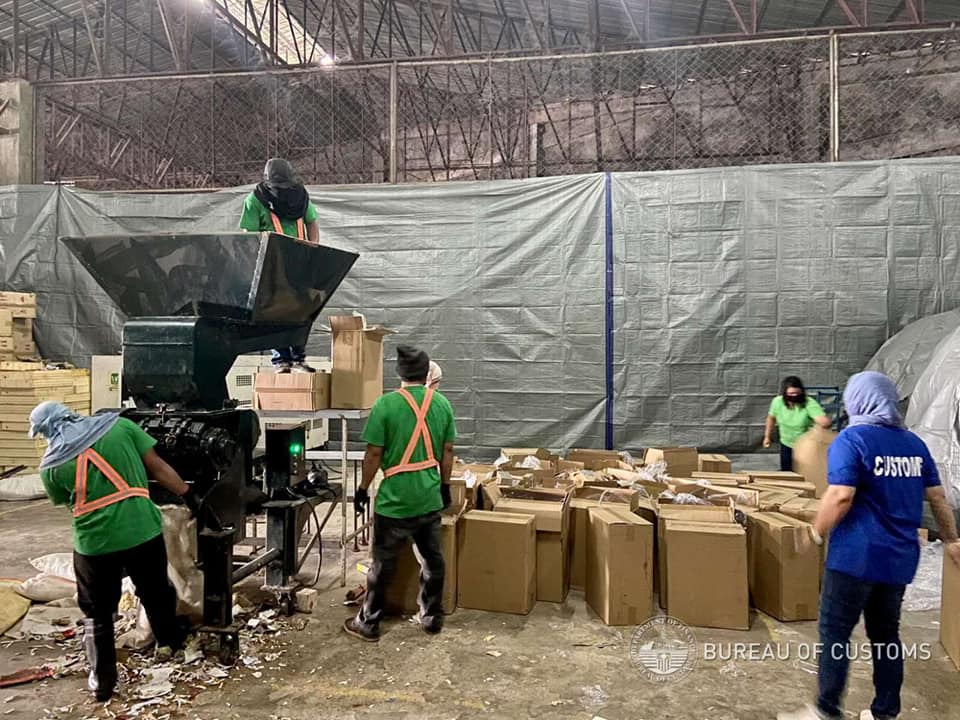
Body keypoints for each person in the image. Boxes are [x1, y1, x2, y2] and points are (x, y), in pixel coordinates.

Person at [778, 371, 960, 720]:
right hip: (899, 559)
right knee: (886, 634)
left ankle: (827, 710)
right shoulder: (914, 445)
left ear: (857, 401)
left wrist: (815, 532)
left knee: (835, 632)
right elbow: (938, 497)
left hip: (855, 557)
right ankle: (884, 712)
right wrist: (951, 540)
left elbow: (841, 495)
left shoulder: (852, 439)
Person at [30, 402, 200, 703]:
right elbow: (158, 468)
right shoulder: (121, 427)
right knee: (155, 589)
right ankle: (169, 642)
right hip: (141, 530)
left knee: (97, 610)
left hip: (94, 544)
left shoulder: (50, 467)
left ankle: (102, 680)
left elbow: (70, 504)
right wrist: (190, 495)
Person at [344, 346, 456, 642]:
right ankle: (431, 617)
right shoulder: (442, 403)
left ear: (399, 373)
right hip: (429, 497)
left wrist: (362, 489)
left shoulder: (385, 404)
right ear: (426, 373)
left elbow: (373, 454)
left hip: (394, 502)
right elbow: (447, 450)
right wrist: (445, 486)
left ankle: (369, 622)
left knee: (383, 564)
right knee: (433, 560)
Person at [239, 157, 319, 373]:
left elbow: (312, 222)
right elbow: (249, 235)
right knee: (276, 311)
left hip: (299, 261)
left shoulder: (300, 197)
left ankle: (298, 358)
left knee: (301, 310)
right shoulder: (256, 200)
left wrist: (314, 247)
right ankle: (282, 360)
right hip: (271, 263)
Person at [764, 376, 832, 470]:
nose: (794, 396)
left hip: (805, 446)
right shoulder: (777, 402)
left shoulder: (809, 403)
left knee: (804, 471)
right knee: (786, 471)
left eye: (797, 393)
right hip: (786, 443)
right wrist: (767, 437)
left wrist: (822, 423)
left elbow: (825, 422)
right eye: (791, 394)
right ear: (785, 393)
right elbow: (770, 419)